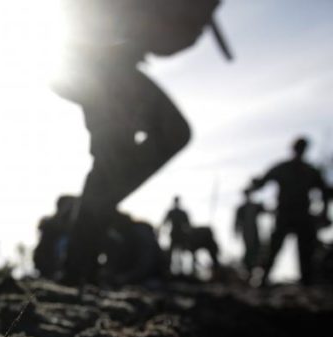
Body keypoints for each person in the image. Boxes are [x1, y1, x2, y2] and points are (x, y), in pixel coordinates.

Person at [56, 0, 229, 284]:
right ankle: (77, 264)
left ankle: (93, 219)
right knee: (112, 154)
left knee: (170, 134)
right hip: (86, 63)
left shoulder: (182, 20)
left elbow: (164, 42)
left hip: (114, 68)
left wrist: (193, 23)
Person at [248, 137, 330, 285]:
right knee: (275, 248)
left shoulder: (307, 170)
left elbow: (325, 192)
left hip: (300, 215)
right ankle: (263, 278)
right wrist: (254, 185)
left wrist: (324, 212)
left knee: (304, 250)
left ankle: (306, 281)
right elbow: (261, 182)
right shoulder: (290, 169)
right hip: (286, 214)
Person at [234, 189, 265, 274]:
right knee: (249, 250)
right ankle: (248, 270)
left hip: (255, 232)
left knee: (257, 250)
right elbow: (237, 222)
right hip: (247, 233)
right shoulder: (241, 209)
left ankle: (255, 271)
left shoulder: (255, 206)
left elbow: (265, 210)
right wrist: (236, 232)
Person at [161, 196, 191, 274]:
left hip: (180, 234)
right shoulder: (173, 212)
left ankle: (181, 271)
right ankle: (170, 271)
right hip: (175, 234)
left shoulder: (180, 212)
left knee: (181, 253)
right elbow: (165, 222)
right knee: (172, 253)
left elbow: (188, 225)